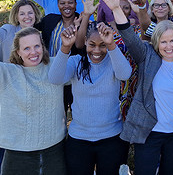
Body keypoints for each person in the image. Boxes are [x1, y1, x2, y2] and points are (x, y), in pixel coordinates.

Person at [98, 0, 173, 175]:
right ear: (156, 42)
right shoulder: (147, 56)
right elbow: (129, 36)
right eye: (163, 41)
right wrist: (116, 8)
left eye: (172, 40)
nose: (168, 46)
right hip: (149, 132)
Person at [0, 0, 73, 174]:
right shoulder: (7, 73)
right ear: (17, 52)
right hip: (18, 155)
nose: (33, 52)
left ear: (43, 46)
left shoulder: (55, 67)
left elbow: (87, 61)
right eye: (27, 48)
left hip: (54, 151)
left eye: (37, 46)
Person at [48, 21, 132, 175]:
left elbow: (125, 74)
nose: (97, 50)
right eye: (92, 44)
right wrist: (65, 47)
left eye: (103, 45)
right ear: (85, 41)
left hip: (112, 137)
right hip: (79, 139)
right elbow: (55, 78)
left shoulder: (113, 62)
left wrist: (112, 45)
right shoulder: (76, 62)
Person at [0, 0, 42, 174]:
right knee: (7, 137)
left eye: (30, 12)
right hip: (7, 92)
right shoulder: (8, 31)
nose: (26, 16)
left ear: (35, 14)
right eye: (22, 13)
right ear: (16, 15)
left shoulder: (40, 34)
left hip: (31, 92)